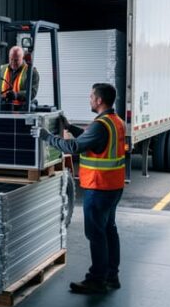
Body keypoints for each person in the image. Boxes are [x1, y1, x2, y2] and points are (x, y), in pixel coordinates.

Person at [32, 83, 125, 295]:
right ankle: (112, 277)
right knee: (109, 230)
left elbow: (73, 147)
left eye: (91, 96)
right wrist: (69, 127)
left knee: (96, 233)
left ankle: (96, 280)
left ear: (99, 100)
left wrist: (46, 136)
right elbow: (89, 140)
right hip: (113, 187)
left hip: (99, 187)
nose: (89, 99)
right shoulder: (115, 121)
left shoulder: (101, 125)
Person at [0, 45, 40, 111]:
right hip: (4, 108)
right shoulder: (1, 69)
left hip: (22, 110)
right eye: (11, 59)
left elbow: (32, 92)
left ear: (23, 58)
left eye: (16, 60)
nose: (13, 63)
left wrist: (17, 95)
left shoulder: (31, 72)